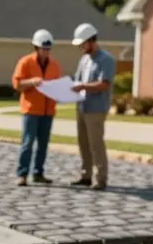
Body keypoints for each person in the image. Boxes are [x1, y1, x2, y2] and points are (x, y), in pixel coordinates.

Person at [11, 29, 61, 186]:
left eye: (48, 49)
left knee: (43, 145)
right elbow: (17, 84)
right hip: (31, 110)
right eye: (43, 48)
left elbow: (56, 85)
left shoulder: (54, 64)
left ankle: (38, 173)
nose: (46, 52)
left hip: (48, 111)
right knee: (27, 143)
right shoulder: (25, 62)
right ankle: (22, 174)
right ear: (36, 47)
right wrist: (32, 82)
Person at [70, 22, 115, 190]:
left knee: (96, 144)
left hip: (96, 109)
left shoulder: (106, 59)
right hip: (82, 107)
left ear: (91, 40)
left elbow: (104, 84)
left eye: (82, 43)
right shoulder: (83, 60)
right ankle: (85, 175)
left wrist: (83, 87)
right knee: (83, 143)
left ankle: (100, 179)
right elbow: (77, 79)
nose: (81, 47)